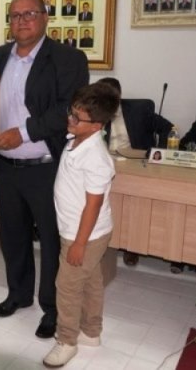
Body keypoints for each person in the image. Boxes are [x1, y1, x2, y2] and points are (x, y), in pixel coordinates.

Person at [0, 0, 89, 339]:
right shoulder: (0, 56)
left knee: (50, 241)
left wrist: (22, 133)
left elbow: (68, 109)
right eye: (15, 15)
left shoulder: (68, 58)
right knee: (12, 236)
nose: (21, 21)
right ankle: (18, 294)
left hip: (47, 167)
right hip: (6, 167)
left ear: (46, 17)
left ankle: (51, 307)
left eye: (29, 14)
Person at [41, 82, 119, 368]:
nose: (70, 119)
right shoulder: (76, 138)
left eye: (78, 117)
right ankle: (91, 331)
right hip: (78, 231)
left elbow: (93, 205)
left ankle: (67, 341)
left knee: (67, 285)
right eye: (71, 112)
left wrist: (79, 244)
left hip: (84, 234)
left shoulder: (96, 157)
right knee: (91, 280)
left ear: (97, 126)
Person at [98, 77, 173, 267]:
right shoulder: (94, 113)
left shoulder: (138, 111)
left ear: (119, 96)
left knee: (134, 206)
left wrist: (158, 153)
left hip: (135, 164)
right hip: (103, 164)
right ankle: (102, 241)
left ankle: (132, 245)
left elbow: (168, 128)